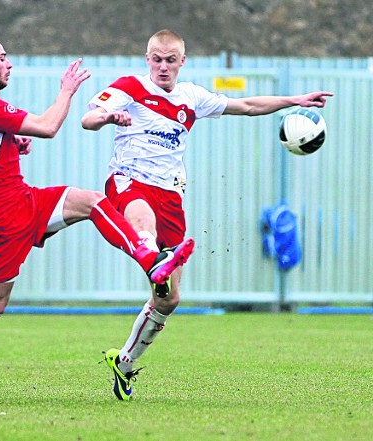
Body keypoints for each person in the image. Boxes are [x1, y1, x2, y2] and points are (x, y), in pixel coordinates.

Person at [0, 34, 195, 404]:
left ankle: (150, 259)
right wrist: (67, 90)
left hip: (24, 200)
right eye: (3, 57)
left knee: (93, 201)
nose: (8, 63)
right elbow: (48, 126)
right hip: (0, 221)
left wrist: (12, 142)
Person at [81, 29, 333, 400]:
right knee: (141, 221)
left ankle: (126, 361)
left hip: (170, 197)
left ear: (182, 61)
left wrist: (294, 100)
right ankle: (154, 256)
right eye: (156, 58)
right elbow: (88, 118)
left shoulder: (192, 97)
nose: (162, 66)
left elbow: (246, 106)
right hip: (129, 181)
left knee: (169, 300)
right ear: (146, 58)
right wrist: (106, 117)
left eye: (170, 60)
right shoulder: (129, 87)